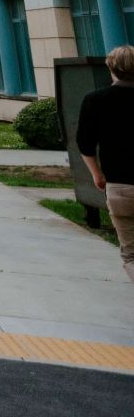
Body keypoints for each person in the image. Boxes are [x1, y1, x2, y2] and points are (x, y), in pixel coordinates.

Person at [76, 43, 134, 284]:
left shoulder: (95, 100)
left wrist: (97, 175)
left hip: (120, 186)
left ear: (111, 68)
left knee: (130, 254)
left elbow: (85, 144)